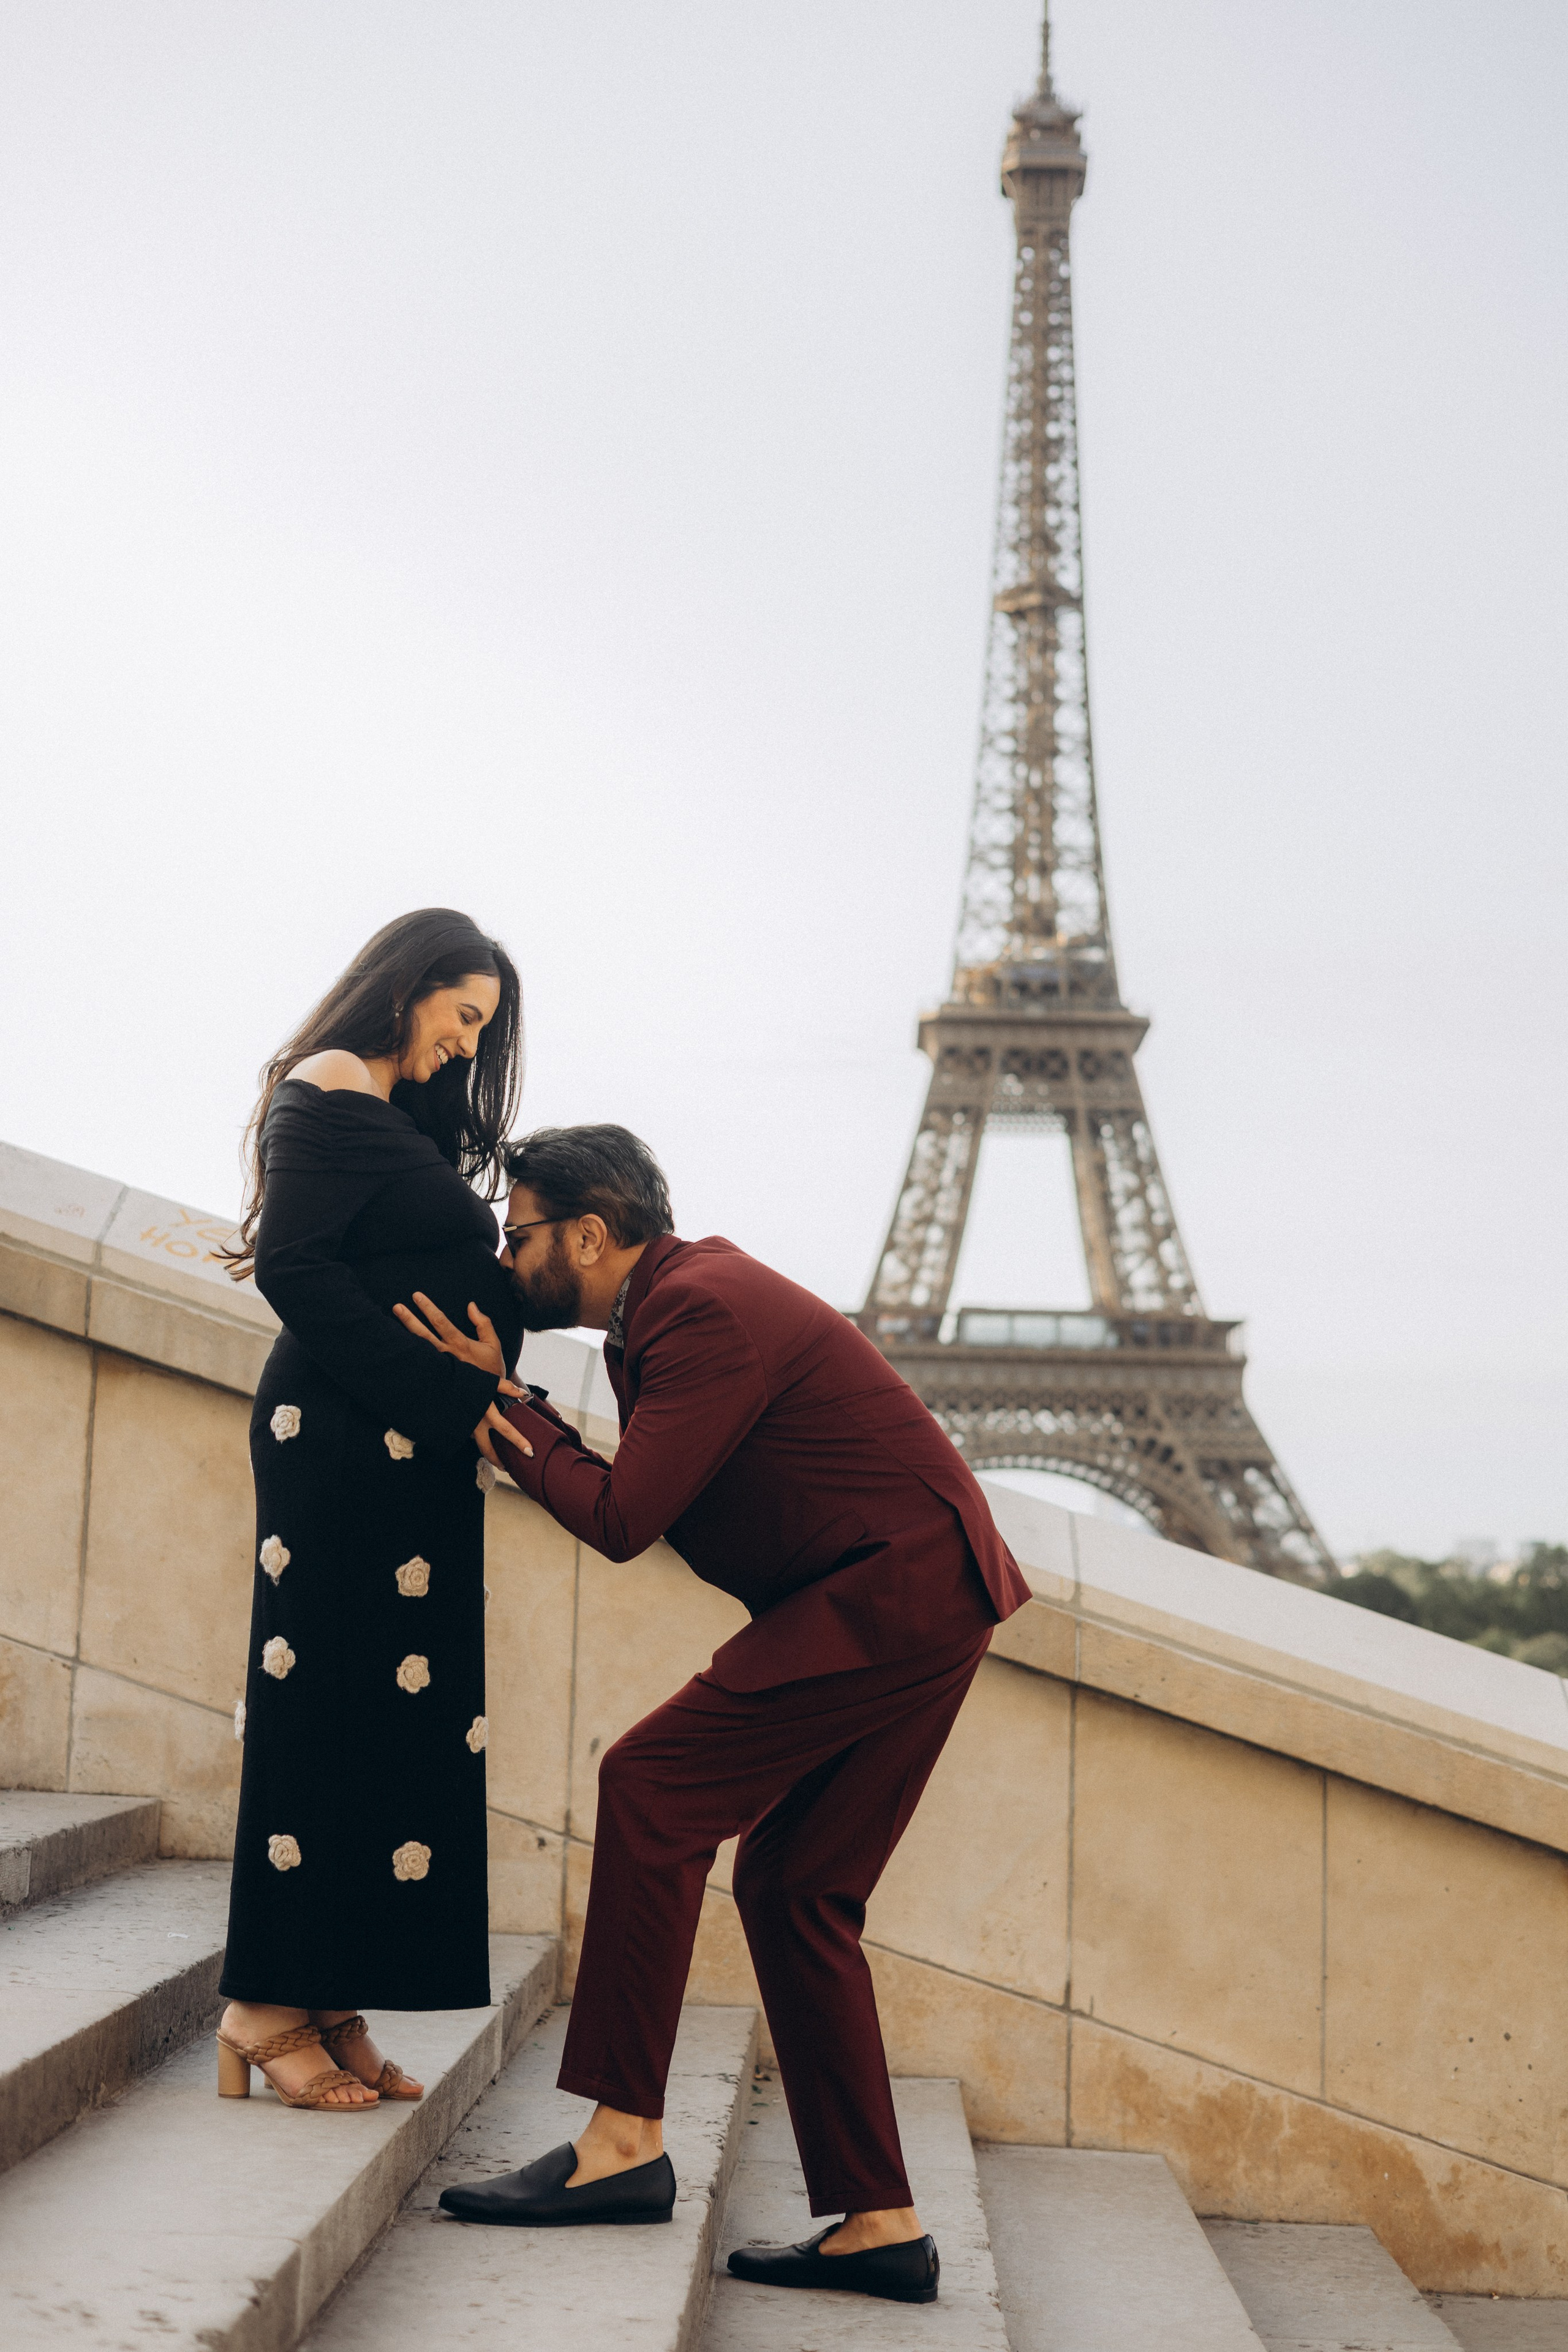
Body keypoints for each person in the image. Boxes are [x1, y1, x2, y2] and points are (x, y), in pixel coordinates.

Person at [397, 1124, 1030, 2304]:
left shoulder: (699, 1310)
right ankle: (879, 2222)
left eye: (517, 1233)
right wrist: (519, 1409)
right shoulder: (674, 1306)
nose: (506, 1254)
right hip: (922, 1591)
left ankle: (623, 2144)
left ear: (589, 1234)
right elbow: (648, 1490)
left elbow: (628, 1516)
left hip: (888, 1597)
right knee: (796, 1889)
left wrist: (504, 1411)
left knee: (651, 1784)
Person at [214, 908, 527, 2112]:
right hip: (343, 1437)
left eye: (483, 1029)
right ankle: (260, 2004)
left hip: (410, 1449)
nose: (467, 1043)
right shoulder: (331, 1078)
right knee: (324, 1704)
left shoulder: (399, 1117)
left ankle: (327, 1988)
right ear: (407, 988)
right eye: (463, 1014)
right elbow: (296, 1268)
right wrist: (448, 1399)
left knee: (400, 1716)